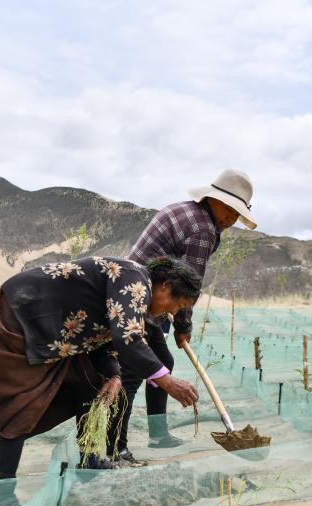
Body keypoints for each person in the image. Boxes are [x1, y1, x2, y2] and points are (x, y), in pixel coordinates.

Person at [0, 256, 201, 506]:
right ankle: (1, 497)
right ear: (165, 287)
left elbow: (105, 339)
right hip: (23, 313)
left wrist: (114, 375)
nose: (171, 312)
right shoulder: (135, 280)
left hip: (59, 330)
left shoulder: (137, 298)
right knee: (21, 403)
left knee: (94, 382)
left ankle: (88, 462)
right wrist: (167, 382)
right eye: (176, 304)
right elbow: (128, 339)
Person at [110, 169, 258, 461]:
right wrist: (183, 326)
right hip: (142, 298)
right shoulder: (202, 230)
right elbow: (189, 286)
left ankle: (157, 435)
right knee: (133, 372)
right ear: (213, 199)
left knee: (162, 362)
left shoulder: (188, 212)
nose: (231, 219)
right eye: (228, 210)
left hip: (142, 292)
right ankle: (116, 446)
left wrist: (177, 322)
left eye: (236, 214)